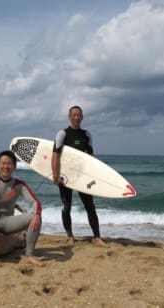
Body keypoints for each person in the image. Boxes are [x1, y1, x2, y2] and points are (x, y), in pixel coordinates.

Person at [51, 105, 109, 248]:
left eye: (79, 115)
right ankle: (70, 236)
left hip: (83, 176)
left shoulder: (86, 135)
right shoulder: (62, 134)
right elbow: (55, 155)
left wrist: (95, 174)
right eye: (74, 115)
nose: (76, 117)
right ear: (69, 117)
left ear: (82, 117)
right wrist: (55, 175)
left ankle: (97, 237)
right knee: (66, 206)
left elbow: (91, 156)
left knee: (90, 206)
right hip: (66, 176)